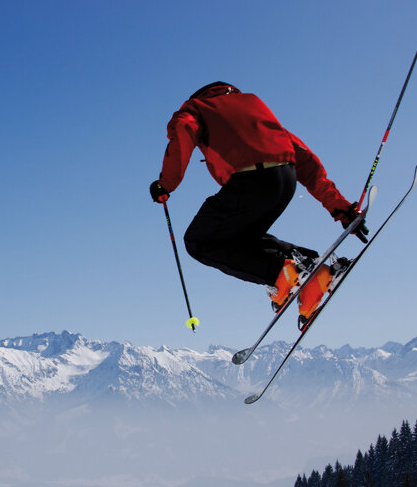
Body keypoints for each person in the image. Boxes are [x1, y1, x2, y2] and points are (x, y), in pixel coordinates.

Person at [149, 81, 368, 321]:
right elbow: (306, 160)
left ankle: (280, 273)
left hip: (251, 179)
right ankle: (317, 272)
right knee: (240, 239)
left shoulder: (198, 107)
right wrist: (342, 208)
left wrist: (165, 184)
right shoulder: (253, 107)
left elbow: (183, 129)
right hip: (285, 179)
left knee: (199, 240)